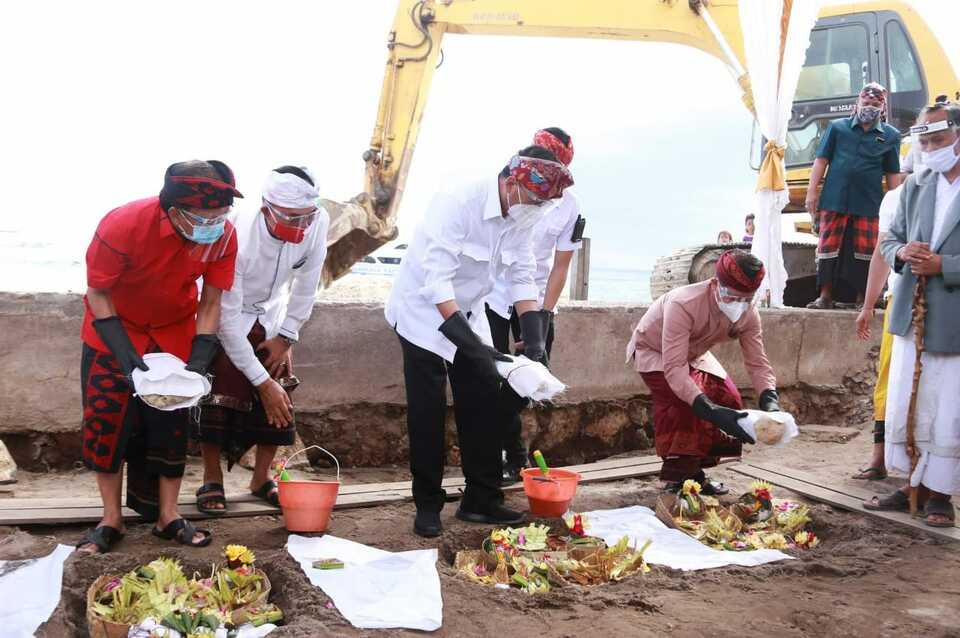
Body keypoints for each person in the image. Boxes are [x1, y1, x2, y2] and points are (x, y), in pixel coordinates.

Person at [385, 145, 573, 537]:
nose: (539, 208)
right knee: (427, 410)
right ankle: (428, 504)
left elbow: (522, 272)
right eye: (537, 198)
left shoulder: (526, 212)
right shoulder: (458, 201)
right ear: (512, 180)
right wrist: (475, 350)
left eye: (545, 203)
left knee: (484, 401)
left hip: (469, 310)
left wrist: (534, 341)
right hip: (422, 312)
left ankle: (481, 500)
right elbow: (435, 282)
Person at [78, 160, 241, 553]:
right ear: (174, 213)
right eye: (206, 217)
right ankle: (110, 519)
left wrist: (201, 354)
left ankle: (168, 517)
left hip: (174, 331)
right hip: (115, 327)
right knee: (107, 423)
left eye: (221, 215)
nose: (216, 225)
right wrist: (122, 350)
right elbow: (98, 292)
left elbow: (212, 297)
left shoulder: (221, 236)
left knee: (172, 424)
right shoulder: (122, 225)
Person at [196, 166, 329, 513]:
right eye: (292, 219)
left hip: (273, 315)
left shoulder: (318, 221)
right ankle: (212, 478)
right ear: (268, 208)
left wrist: (286, 337)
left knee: (280, 386)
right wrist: (260, 382)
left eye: (307, 217)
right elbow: (224, 313)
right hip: (230, 315)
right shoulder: (236, 232)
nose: (302, 226)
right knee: (218, 391)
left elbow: (306, 285)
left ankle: (261, 477)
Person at [866, 102, 960, 527]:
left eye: (938, 140)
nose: (930, 148)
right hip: (910, 314)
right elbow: (890, 242)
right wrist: (902, 252)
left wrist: (947, 266)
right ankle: (911, 486)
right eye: (924, 141)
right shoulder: (916, 184)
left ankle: (940, 494)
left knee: (948, 407)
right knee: (907, 399)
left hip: (953, 319)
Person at [626, 250, 779, 493]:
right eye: (731, 296)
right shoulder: (683, 303)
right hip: (656, 352)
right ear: (716, 284)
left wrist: (770, 400)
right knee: (685, 405)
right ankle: (677, 479)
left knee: (729, 399)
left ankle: (695, 473)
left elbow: (757, 363)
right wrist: (712, 412)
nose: (737, 304)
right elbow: (675, 369)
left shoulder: (748, 313)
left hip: (695, 355)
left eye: (746, 299)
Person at [485, 127, 582, 484]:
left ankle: (511, 450)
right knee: (492, 376)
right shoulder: (509, 188)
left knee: (530, 376)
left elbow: (560, 266)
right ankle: (507, 455)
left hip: (537, 300)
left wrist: (543, 316)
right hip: (495, 297)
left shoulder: (569, 205)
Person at [853, 139, 926, 481]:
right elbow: (883, 253)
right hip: (901, 299)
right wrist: (868, 305)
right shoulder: (895, 199)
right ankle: (879, 455)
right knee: (889, 375)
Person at [806, 83, 902, 309]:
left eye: (875, 104)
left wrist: (898, 203)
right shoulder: (837, 128)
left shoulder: (891, 136)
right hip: (834, 198)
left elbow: (892, 173)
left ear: (883, 108)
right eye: (866, 103)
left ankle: (864, 298)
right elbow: (821, 161)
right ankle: (825, 297)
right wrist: (812, 192)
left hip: (869, 202)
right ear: (857, 103)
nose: (870, 107)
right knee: (828, 247)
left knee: (867, 250)